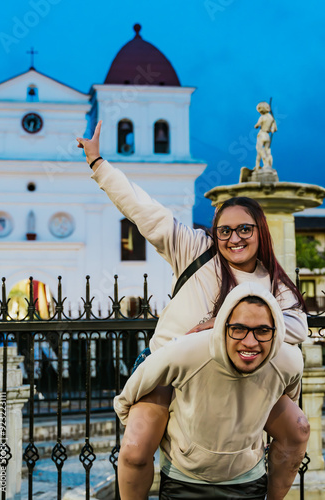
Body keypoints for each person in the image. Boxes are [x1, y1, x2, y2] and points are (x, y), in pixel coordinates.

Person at [76, 121, 310, 500]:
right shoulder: (194, 250)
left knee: (297, 428)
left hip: (243, 375)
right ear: (214, 233)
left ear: (260, 231)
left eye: (245, 229)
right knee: (135, 450)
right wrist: (98, 163)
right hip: (171, 369)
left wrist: (221, 324)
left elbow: (296, 327)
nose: (234, 238)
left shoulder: (275, 285)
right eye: (225, 230)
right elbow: (143, 209)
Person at [114, 282, 304, 499]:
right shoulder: (186, 350)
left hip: (246, 473)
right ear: (223, 326)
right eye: (238, 329)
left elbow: (288, 394)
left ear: (276, 332)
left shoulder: (289, 360)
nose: (250, 342)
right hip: (184, 473)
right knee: (133, 449)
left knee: (300, 428)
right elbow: (130, 393)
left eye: (262, 331)